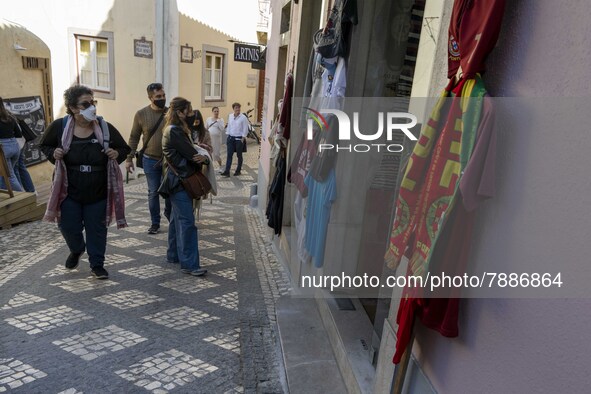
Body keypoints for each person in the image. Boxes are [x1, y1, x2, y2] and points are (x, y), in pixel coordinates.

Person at [40, 85, 130, 279]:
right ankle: (77, 248)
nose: (92, 107)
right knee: (68, 226)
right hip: (69, 190)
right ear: (73, 107)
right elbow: (44, 145)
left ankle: (97, 264)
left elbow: (124, 148)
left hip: (98, 189)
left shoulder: (104, 127)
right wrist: (53, 153)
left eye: (93, 102)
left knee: (96, 229)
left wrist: (116, 153)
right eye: (86, 104)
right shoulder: (61, 126)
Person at [158, 97, 208, 276]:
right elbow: (193, 155)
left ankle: (173, 255)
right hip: (180, 181)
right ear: (180, 113)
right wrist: (204, 157)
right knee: (187, 222)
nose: (192, 113)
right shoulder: (175, 131)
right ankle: (190, 264)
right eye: (189, 110)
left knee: (175, 219)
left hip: (175, 180)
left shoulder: (174, 129)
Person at [126, 82, 171, 234]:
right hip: (150, 159)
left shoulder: (170, 113)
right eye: (158, 96)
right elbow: (134, 137)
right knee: (153, 192)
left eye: (163, 95)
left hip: (168, 161)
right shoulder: (141, 114)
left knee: (171, 190)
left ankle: (170, 214)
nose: (162, 98)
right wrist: (129, 158)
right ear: (150, 98)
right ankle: (155, 223)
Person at [0, 97, 24, 192]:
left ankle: (24, 197)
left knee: (10, 176)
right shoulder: (9, 116)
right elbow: (19, 134)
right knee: (5, 175)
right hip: (15, 147)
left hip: (3, 149)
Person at [220, 102, 249, 177]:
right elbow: (229, 126)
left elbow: (245, 128)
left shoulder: (243, 117)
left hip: (239, 139)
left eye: (239, 108)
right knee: (229, 155)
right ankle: (227, 171)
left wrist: (243, 138)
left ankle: (238, 170)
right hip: (230, 138)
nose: (238, 109)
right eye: (236, 108)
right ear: (233, 109)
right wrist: (227, 135)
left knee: (239, 155)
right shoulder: (230, 116)